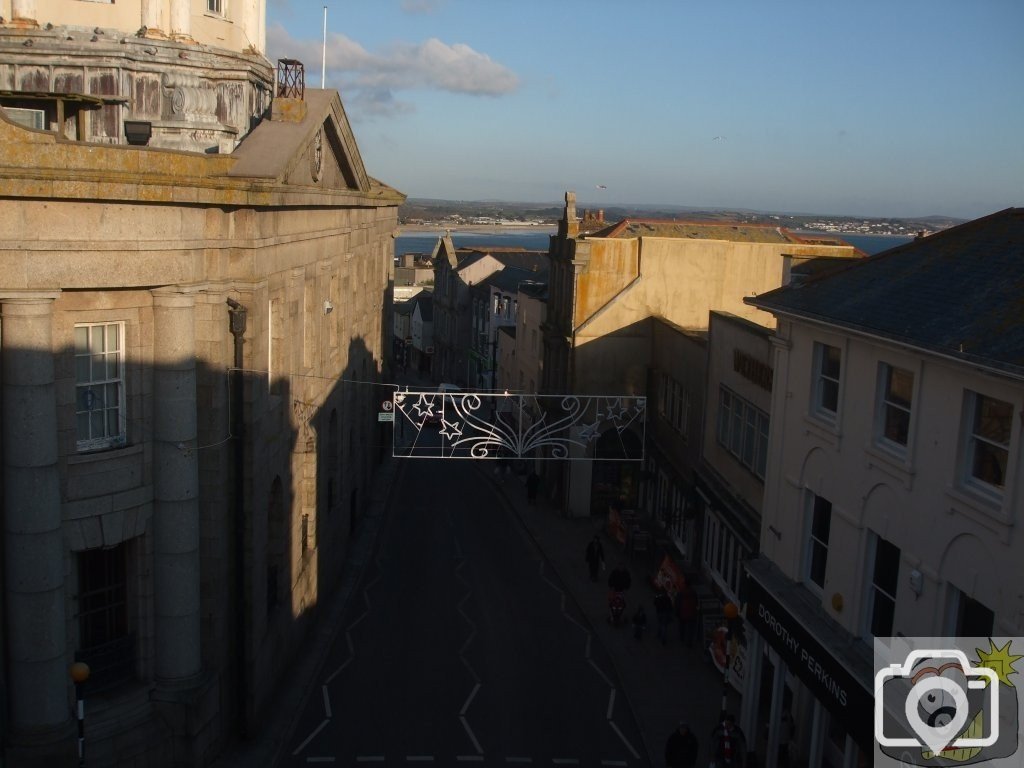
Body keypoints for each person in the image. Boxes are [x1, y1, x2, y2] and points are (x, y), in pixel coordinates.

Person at [674, 580, 698, 647]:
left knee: (682, 626)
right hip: (692, 613)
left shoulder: (680, 593)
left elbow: (677, 604)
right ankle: (689, 642)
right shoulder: (693, 592)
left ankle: (682, 637)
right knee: (691, 629)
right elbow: (696, 602)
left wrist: (676, 612)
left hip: (682, 613)